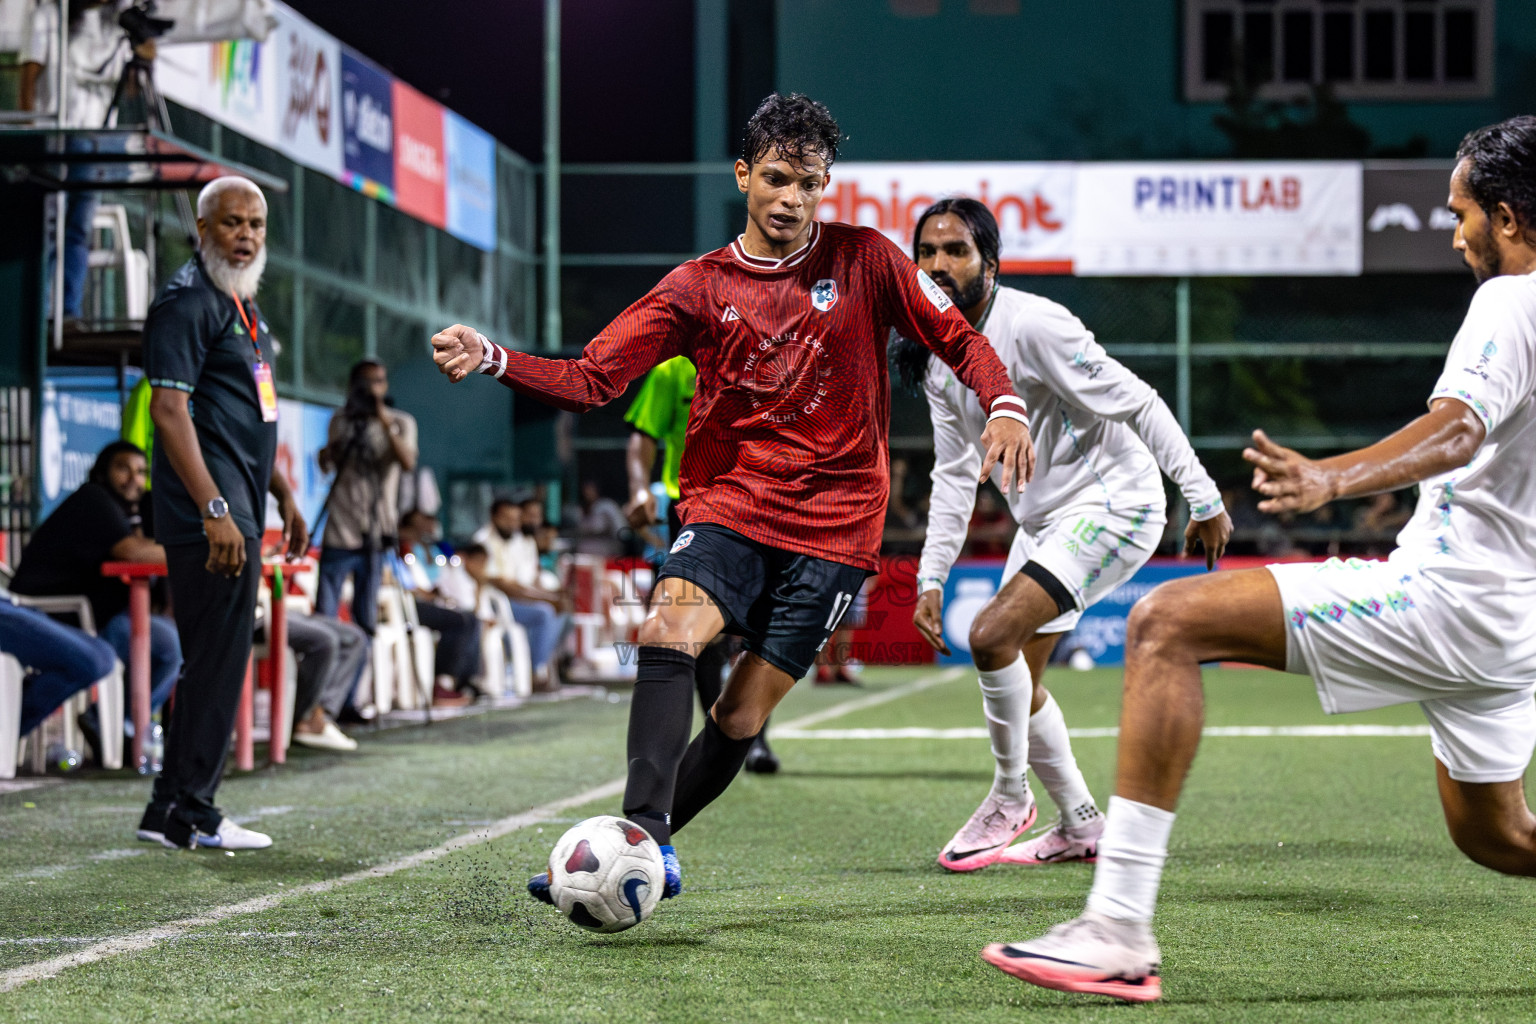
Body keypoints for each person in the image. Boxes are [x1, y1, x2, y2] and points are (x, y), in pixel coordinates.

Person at [430, 92, 1034, 908]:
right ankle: (640, 840)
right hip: (731, 502)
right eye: (778, 179)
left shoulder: (868, 260)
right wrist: (495, 355)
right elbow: (591, 380)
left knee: (742, 716)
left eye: (810, 184)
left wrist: (1004, 404)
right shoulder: (696, 286)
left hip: (836, 524)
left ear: (827, 187)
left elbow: (958, 336)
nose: (792, 199)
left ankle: (643, 841)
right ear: (744, 175)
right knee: (665, 624)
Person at [985, 117, 1536, 1004]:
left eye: (1461, 211)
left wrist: (1329, 479)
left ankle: (1115, 928)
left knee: (1166, 622)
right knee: (1498, 837)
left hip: (1452, 600)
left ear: (1509, 219)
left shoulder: (1512, 299)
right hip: (1513, 625)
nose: (1454, 229)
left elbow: (1462, 426)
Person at [892, 198, 1231, 873]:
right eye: (926, 253)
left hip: (1115, 504)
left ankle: (1008, 794)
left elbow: (1138, 399)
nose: (937, 265)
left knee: (990, 637)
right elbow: (956, 474)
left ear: (988, 263)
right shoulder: (935, 358)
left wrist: (1204, 496)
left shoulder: (1036, 325)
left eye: (954, 251)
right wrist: (932, 575)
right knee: (1021, 677)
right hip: (1048, 520)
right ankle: (1081, 825)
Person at [139, 176, 307, 851]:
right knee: (213, 662)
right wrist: (214, 509)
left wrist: (282, 491)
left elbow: (243, 418)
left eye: (256, 224)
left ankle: (172, 809)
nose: (245, 235)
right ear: (201, 231)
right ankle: (189, 811)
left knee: (217, 661)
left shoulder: (242, 307)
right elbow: (168, 411)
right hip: (209, 517)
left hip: (238, 508)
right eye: (231, 223)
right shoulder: (186, 302)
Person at [624, 356, 778, 773]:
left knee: (760, 628)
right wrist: (640, 490)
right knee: (696, 630)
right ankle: (718, 737)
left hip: (760, 503)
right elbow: (644, 435)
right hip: (691, 507)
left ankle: (753, 737)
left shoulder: (768, 355)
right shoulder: (672, 370)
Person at [10, 440, 183, 755]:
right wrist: (198, 553)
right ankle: (118, 724)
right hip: (54, 613)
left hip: (96, 615)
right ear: (102, 472)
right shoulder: (94, 499)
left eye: (141, 472)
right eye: (123, 469)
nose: (133, 478)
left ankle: (122, 725)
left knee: (169, 639)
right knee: (166, 643)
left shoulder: (137, 509)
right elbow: (133, 554)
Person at [19, 0, 152, 321]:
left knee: (79, 229)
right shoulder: (49, 13)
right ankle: (38, 315)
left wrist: (144, 55)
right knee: (49, 228)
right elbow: (29, 77)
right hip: (56, 136)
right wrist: (30, 133)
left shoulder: (114, 24)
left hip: (98, 139)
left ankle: (68, 313)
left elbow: (129, 90)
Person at [315, 360, 418, 636]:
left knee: (366, 617)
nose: (374, 387)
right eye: (366, 382)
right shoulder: (341, 421)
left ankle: (360, 675)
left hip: (377, 531)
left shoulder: (401, 421)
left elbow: (408, 462)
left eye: (379, 381)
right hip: (341, 528)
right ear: (353, 386)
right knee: (325, 615)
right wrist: (334, 447)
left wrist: (384, 422)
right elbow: (327, 463)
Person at [0, 590, 116, 745]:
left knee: (103, 655)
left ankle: (10, 730)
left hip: (11, 603)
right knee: (91, 662)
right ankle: (9, 733)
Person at [395, 511, 483, 705]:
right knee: (460, 621)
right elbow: (403, 583)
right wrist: (423, 593)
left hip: (434, 600)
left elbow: (441, 580)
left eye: (428, 525)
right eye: (418, 526)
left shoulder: (435, 551)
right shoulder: (400, 550)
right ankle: (441, 683)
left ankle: (465, 681)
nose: (425, 530)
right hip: (406, 605)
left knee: (471, 618)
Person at [473, 499, 564, 683]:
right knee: (544, 613)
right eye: (507, 519)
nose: (512, 524)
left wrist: (545, 596)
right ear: (494, 517)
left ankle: (531, 667)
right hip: (494, 602)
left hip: (518, 598)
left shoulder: (515, 540)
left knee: (561, 612)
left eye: (515, 520)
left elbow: (522, 581)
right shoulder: (483, 540)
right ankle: (534, 672)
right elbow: (500, 583)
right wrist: (543, 599)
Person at [285, 611, 366, 752]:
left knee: (354, 637)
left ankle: (322, 716)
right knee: (325, 641)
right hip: (260, 612)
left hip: (289, 610)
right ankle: (304, 720)